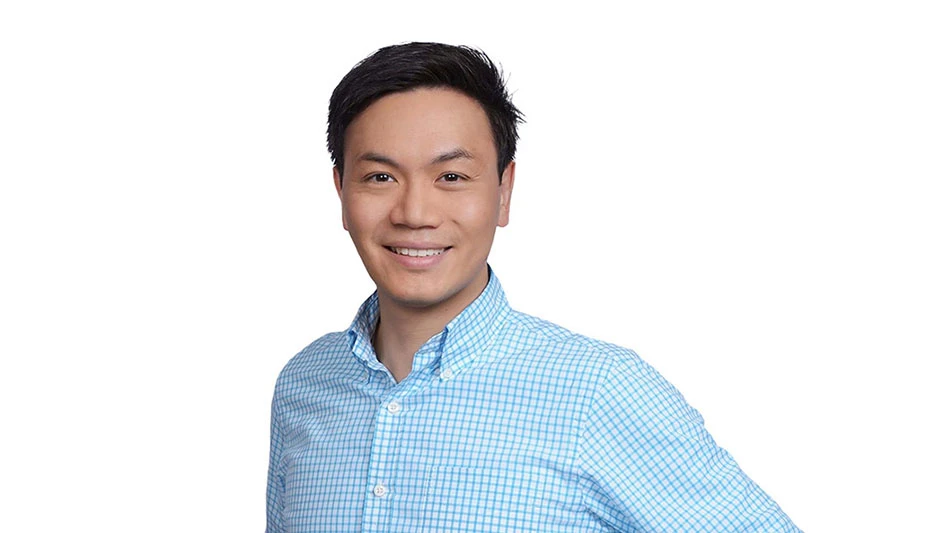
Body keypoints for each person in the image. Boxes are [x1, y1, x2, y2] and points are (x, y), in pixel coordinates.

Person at [266, 42, 800, 532]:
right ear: (341, 192)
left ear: (504, 191)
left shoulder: (600, 389)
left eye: (451, 177)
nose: (415, 213)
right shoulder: (304, 383)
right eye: (380, 177)